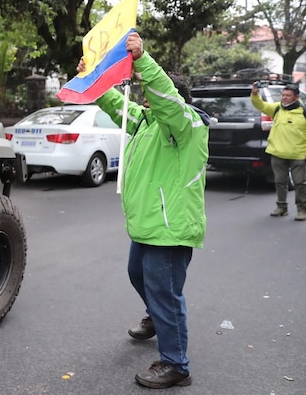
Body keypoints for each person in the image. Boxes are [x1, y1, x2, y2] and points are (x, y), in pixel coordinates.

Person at [78, 31, 210, 389]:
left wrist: (143, 62)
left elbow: (167, 102)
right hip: (147, 226)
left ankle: (176, 364)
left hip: (169, 228)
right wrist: (91, 78)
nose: (146, 101)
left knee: (166, 293)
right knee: (138, 275)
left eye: (152, 96)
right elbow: (117, 107)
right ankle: (156, 316)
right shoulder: (146, 123)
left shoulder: (187, 127)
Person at [250, 82, 306, 220]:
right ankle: (282, 207)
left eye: (288, 95)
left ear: (296, 97)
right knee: (280, 182)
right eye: (283, 95)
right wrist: (255, 95)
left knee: (299, 183)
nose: (284, 98)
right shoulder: (277, 109)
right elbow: (261, 106)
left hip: (298, 154)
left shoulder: (303, 112)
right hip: (277, 153)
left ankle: (302, 210)